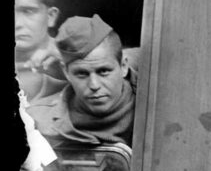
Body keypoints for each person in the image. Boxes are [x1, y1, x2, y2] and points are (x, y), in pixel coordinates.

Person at [28, 14, 136, 147]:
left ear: (124, 66)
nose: (94, 85)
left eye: (103, 71)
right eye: (82, 74)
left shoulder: (156, 105)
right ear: (66, 72)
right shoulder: (36, 121)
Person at [14, 0, 65, 102]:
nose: (17, 23)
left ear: (51, 16)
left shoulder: (77, 53)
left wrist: (71, 61)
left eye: (28, 11)